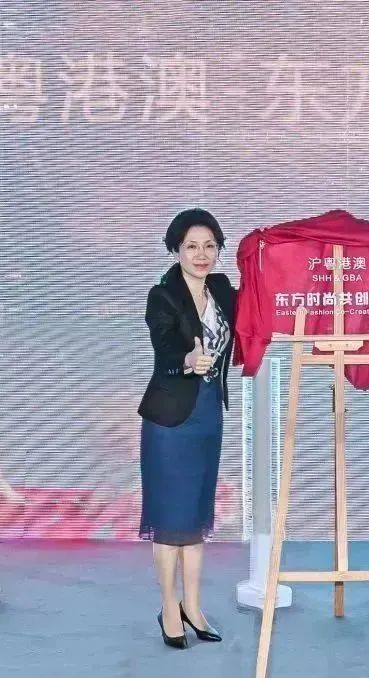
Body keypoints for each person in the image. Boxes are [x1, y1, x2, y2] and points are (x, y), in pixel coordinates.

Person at [137, 208, 237, 649]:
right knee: (169, 519)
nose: (201, 254)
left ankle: (193, 606)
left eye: (210, 246)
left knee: (195, 515)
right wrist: (187, 359)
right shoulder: (162, 295)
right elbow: (164, 347)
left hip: (208, 412)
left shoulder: (222, 289)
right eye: (192, 246)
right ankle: (169, 607)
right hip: (169, 419)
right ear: (176, 249)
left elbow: (259, 310)